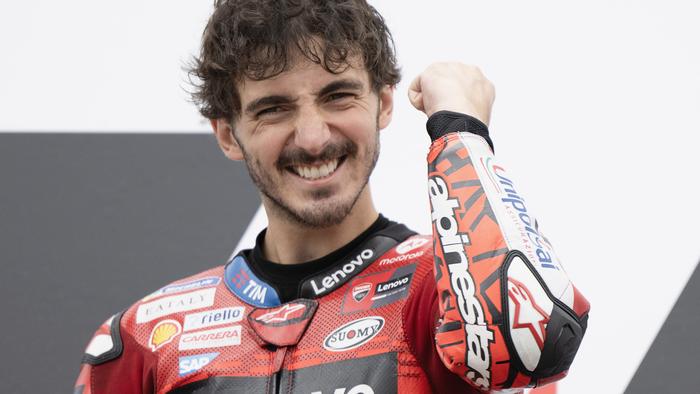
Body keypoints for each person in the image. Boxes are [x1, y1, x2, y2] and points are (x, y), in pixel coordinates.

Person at [75, 1, 589, 393]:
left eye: (337, 95)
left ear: (384, 102)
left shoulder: (440, 294)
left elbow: (535, 341)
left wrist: (460, 131)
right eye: (273, 109)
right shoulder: (149, 337)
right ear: (229, 134)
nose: (314, 137)